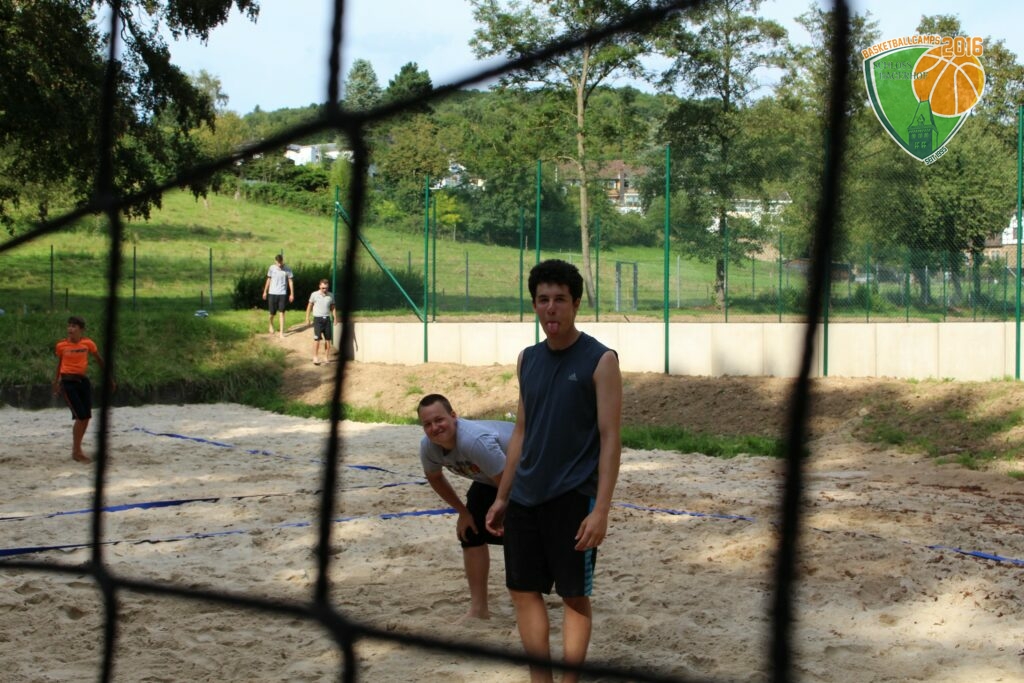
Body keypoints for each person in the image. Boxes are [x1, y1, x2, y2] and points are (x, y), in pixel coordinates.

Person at [485, 259, 622, 683]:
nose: (551, 308)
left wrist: (601, 510)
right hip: (525, 496)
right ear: (534, 305)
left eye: (560, 299)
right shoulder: (527, 359)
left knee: (574, 596)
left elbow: (611, 438)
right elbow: (521, 432)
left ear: (576, 304)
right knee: (522, 590)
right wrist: (503, 496)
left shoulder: (601, 360)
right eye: (543, 299)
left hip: (574, 497)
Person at [418, 394, 513, 620]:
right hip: (493, 480)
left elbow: (510, 483)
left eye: (439, 420)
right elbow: (435, 477)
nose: (434, 428)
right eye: (427, 424)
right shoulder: (429, 447)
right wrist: (463, 512)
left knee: (517, 536)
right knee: (470, 532)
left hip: (528, 475)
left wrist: (502, 511)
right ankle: (478, 610)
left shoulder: (473, 441)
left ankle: (526, 607)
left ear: (454, 416)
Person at [52, 315, 113, 464]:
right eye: (69, 325)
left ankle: (77, 450)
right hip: (68, 383)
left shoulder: (88, 343)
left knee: (86, 417)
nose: (70, 329)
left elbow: (99, 360)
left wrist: (109, 378)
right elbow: (59, 364)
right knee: (80, 417)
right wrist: (56, 382)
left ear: (81, 329)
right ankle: (76, 451)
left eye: (74, 326)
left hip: (83, 382)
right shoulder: (61, 345)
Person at [304, 278, 336, 365]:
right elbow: (309, 306)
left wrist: (335, 318)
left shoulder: (331, 295)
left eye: (326, 288)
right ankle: (315, 357)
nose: (324, 289)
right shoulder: (314, 294)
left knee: (328, 340)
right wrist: (307, 318)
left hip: (327, 319)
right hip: (318, 319)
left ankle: (326, 357)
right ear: (319, 286)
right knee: (317, 339)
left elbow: (333, 307)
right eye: (323, 288)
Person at [261, 253, 294, 337]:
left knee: (282, 312)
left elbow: (290, 281)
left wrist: (292, 294)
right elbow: (268, 279)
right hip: (272, 293)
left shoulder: (287, 269)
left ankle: (281, 333)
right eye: (278, 262)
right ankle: (270, 324)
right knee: (272, 313)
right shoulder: (271, 268)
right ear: (275, 261)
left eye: (280, 262)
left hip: (282, 293)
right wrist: (265, 291)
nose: (279, 264)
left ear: (283, 261)